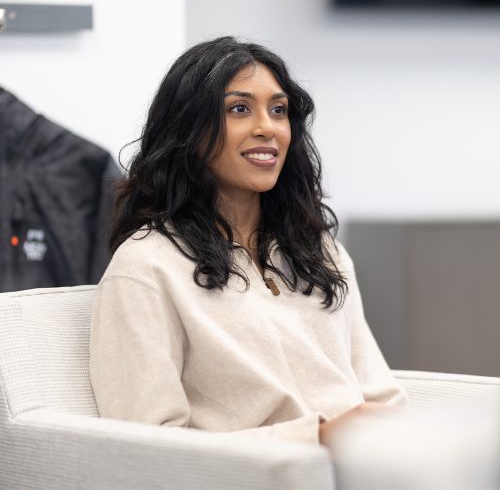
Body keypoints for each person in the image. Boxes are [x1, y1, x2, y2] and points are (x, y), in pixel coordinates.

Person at [89, 36, 407, 450]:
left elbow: (380, 396)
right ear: (188, 128)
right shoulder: (146, 267)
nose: (267, 128)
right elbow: (146, 447)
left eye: (278, 110)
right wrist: (315, 438)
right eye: (239, 109)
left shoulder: (320, 251)